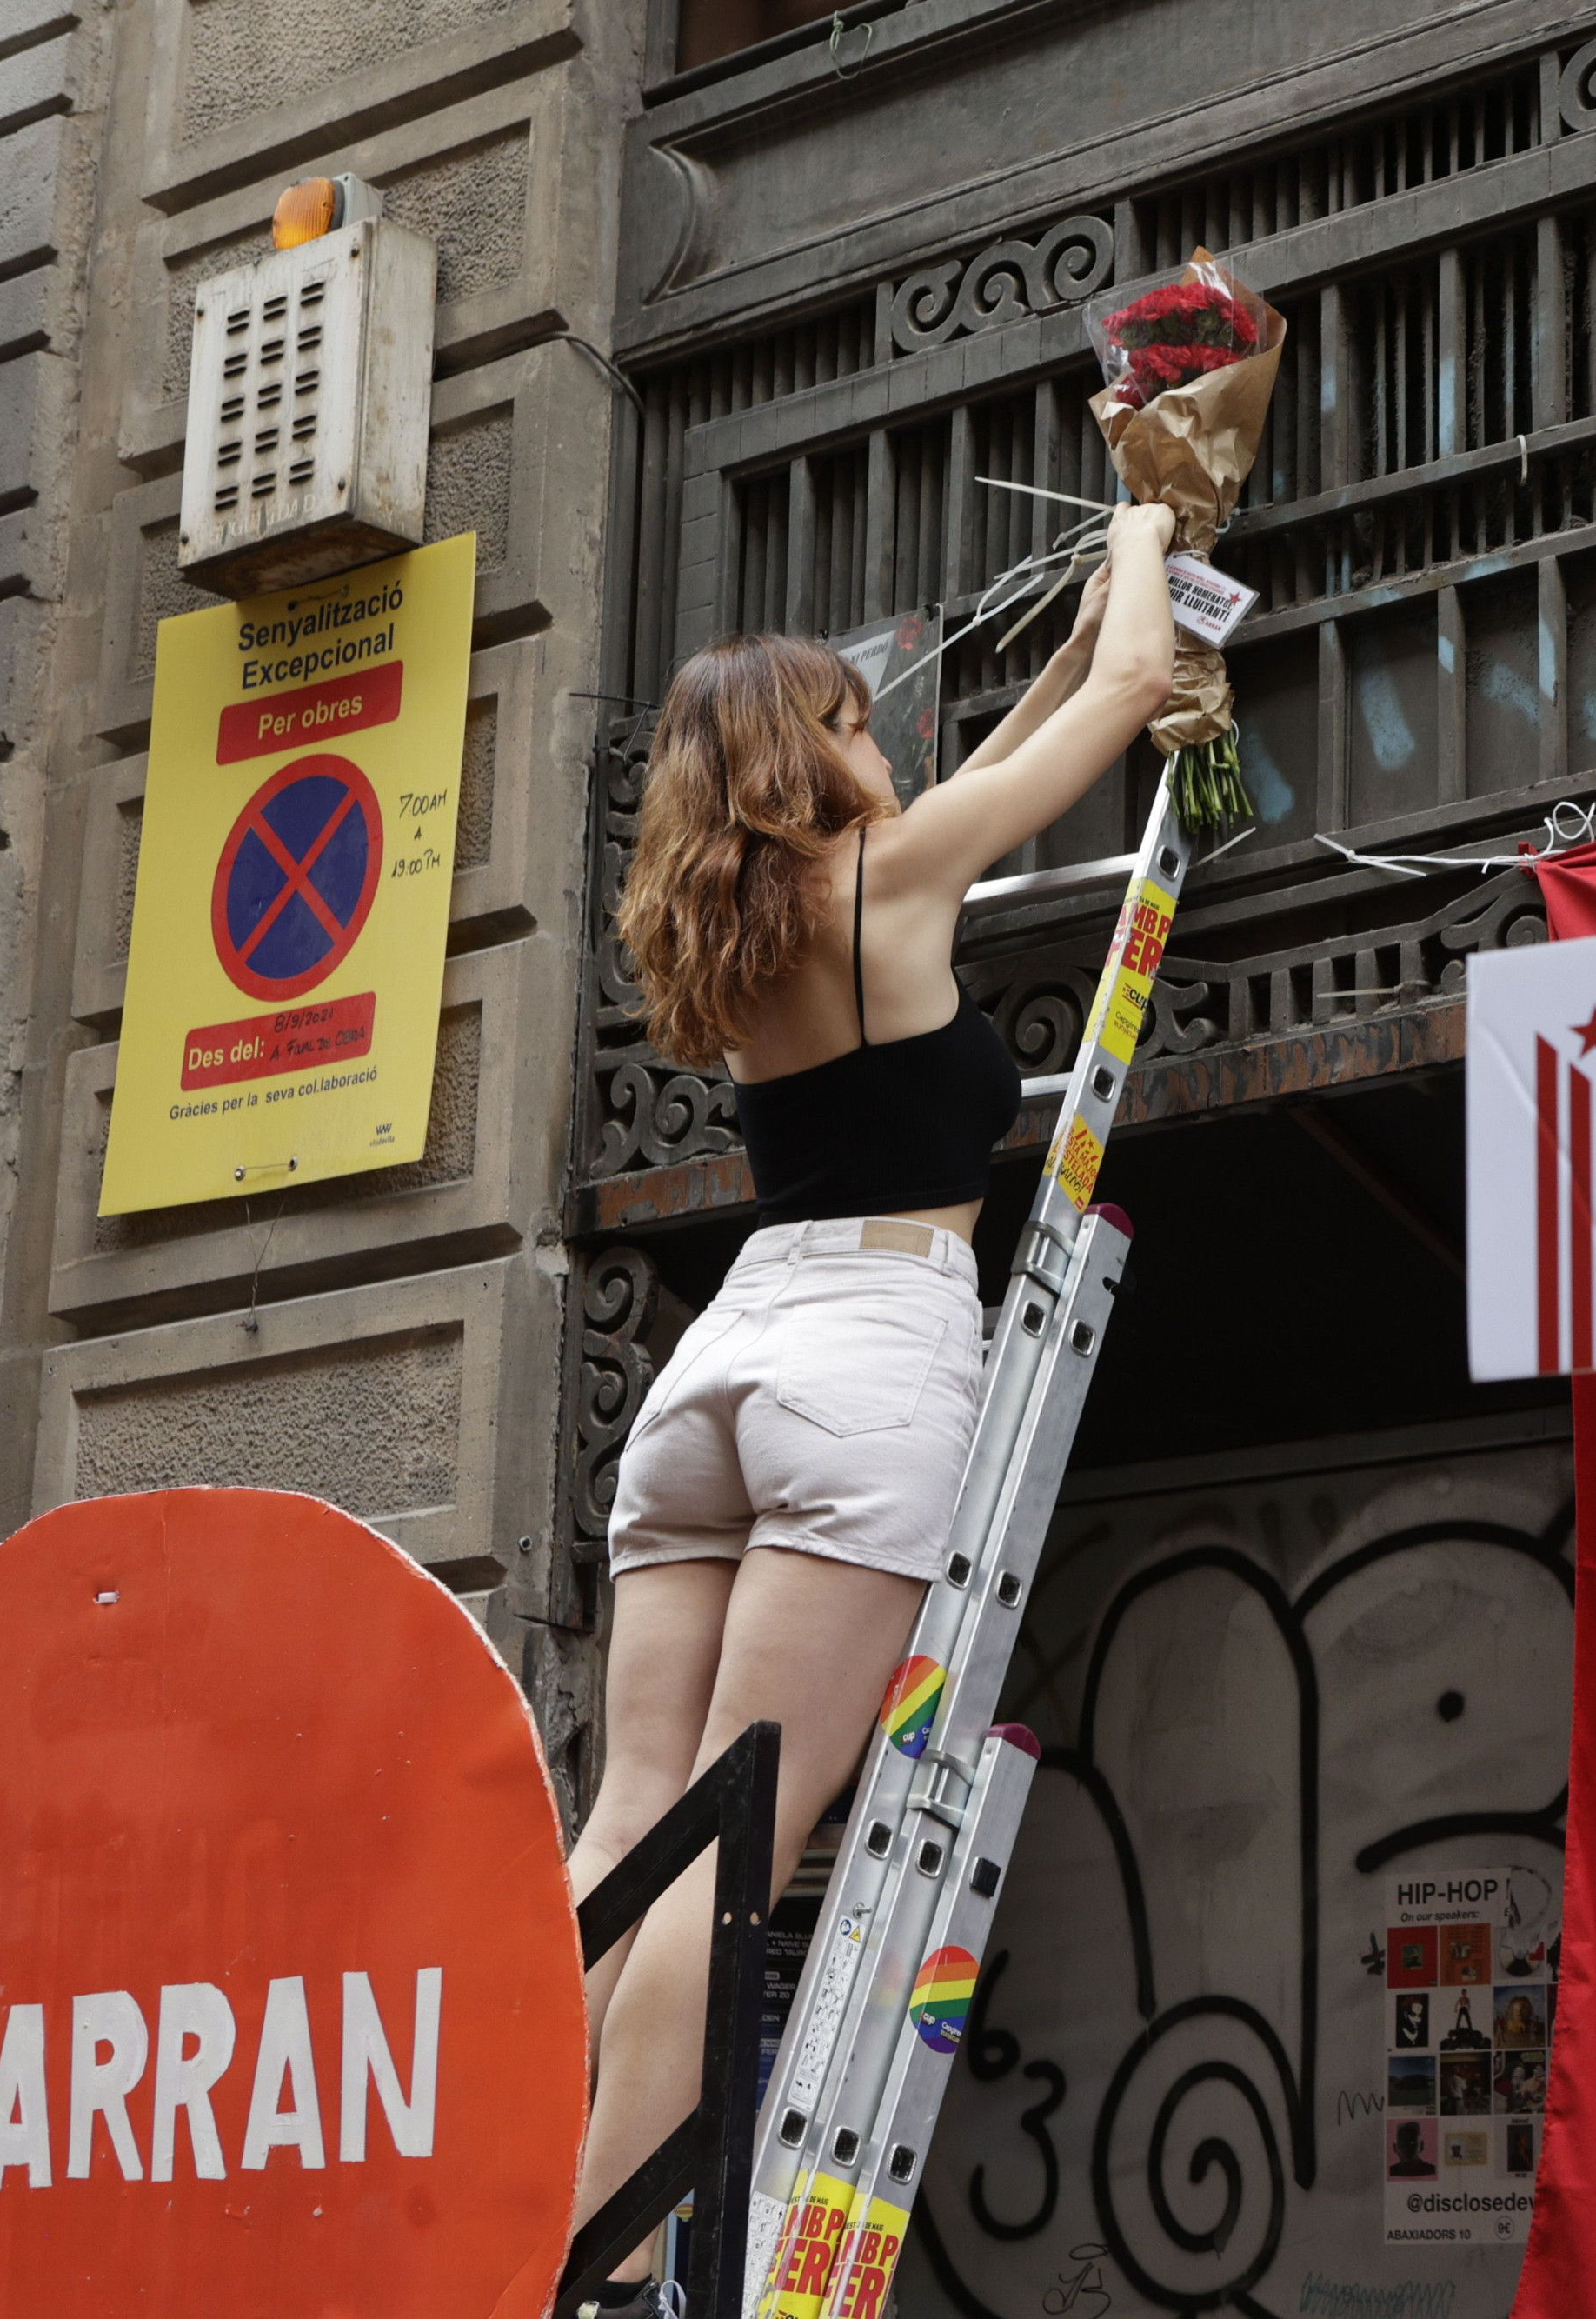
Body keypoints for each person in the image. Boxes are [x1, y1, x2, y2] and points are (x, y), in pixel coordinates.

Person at [560, 502, 1177, 2316]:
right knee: (741, 1838)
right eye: (848, 719)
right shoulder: (882, 887)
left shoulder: (755, 923)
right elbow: (1143, 684)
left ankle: (518, 2170)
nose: (879, 742)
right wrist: (1145, 526)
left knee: (630, 1818)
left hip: (725, 1359)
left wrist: (1061, 648)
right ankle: (593, 2260)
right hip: (873, 1346)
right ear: (797, 754)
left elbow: (1028, 742)